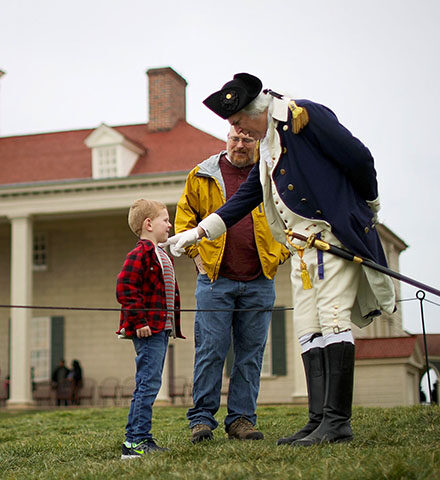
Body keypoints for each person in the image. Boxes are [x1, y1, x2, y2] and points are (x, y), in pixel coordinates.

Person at [163, 73, 396, 446]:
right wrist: (198, 232)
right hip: (302, 249)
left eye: (238, 122)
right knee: (308, 327)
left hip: (329, 238)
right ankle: (318, 420)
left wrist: (368, 204)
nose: (237, 130)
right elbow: (248, 197)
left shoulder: (307, 118)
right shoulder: (269, 143)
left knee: (333, 320)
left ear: (256, 111)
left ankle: (337, 423)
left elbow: (359, 158)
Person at [176, 126, 290, 443]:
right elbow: (184, 221)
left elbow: (289, 219)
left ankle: (241, 420)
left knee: (250, 355)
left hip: (259, 281)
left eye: (246, 139)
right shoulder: (201, 175)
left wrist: (277, 255)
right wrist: (197, 257)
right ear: (227, 140)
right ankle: (201, 420)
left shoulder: (272, 175)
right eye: (234, 138)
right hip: (215, 281)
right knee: (210, 351)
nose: (240, 144)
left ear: (258, 143)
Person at [116, 198, 185, 459]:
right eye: (165, 220)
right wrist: (140, 321)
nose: (169, 225)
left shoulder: (160, 253)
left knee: (150, 382)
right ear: (148, 224)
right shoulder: (141, 253)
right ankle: (134, 442)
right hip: (148, 330)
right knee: (147, 383)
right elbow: (125, 288)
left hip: (159, 329)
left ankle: (141, 437)